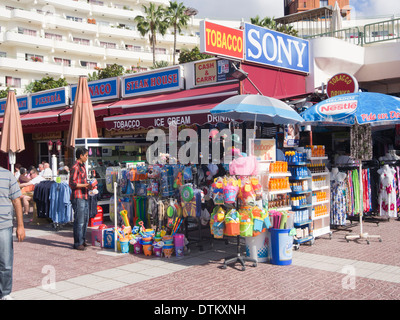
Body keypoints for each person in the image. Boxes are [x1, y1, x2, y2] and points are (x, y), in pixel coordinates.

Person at [0, 166, 25, 300]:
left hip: (4, 225)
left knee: (5, 263)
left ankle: (5, 293)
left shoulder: (7, 175)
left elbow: (16, 200)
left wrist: (20, 225)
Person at [69, 147, 93, 251]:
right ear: (81, 156)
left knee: (85, 219)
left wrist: (89, 185)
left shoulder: (83, 167)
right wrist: (86, 185)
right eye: (86, 155)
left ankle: (82, 240)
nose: (87, 157)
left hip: (85, 195)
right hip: (78, 197)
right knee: (79, 221)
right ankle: (77, 243)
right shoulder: (75, 167)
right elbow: (72, 183)